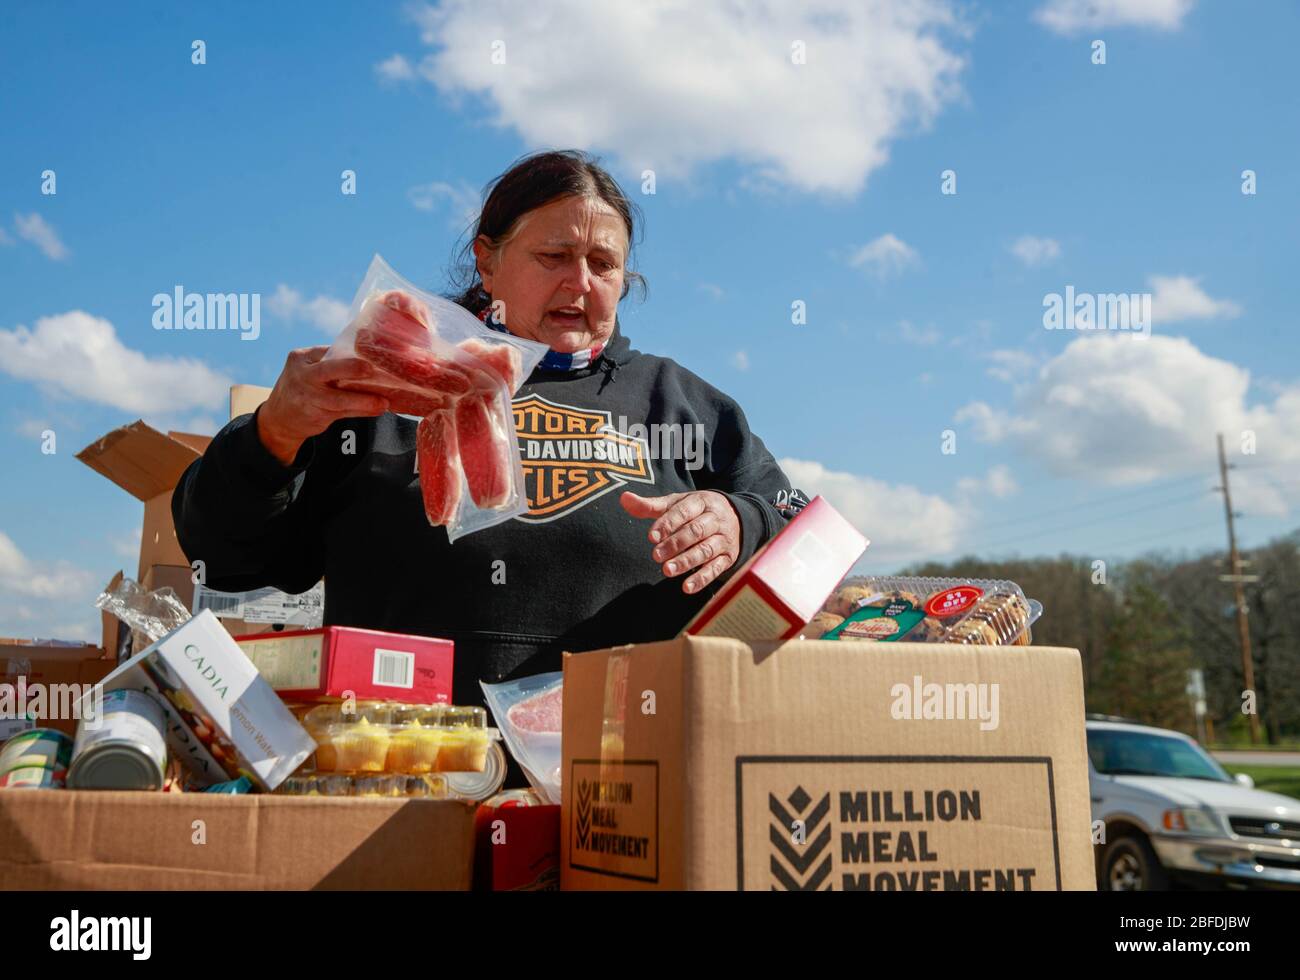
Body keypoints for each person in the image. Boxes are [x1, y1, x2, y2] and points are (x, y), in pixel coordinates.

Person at [172, 149, 805, 783]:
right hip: (405, 789)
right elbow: (226, 559)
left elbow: (802, 532)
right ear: (487, 260)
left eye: (603, 264)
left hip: (627, 797)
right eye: (553, 257)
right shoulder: (384, 386)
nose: (580, 282)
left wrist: (739, 519)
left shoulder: (682, 405)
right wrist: (273, 431)